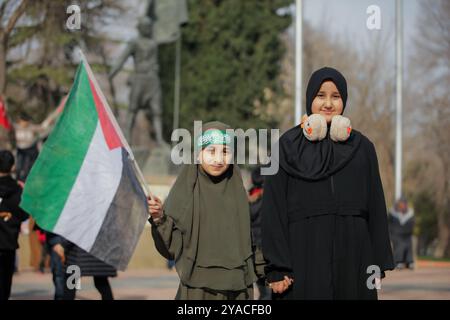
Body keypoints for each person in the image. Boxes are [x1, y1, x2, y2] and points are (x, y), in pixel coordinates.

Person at [261, 67, 394, 300]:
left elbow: (376, 206)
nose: (328, 103)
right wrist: (277, 267)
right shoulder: (285, 147)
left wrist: (378, 263)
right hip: (303, 255)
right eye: (320, 95)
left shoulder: (363, 147)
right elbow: (273, 211)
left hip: (354, 257)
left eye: (336, 96)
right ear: (310, 98)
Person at [148, 121, 261, 300]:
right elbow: (171, 247)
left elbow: (249, 240)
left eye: (225, 151)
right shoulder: (186, 191)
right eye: (211, 151)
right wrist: (159, 219)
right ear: (199, 154)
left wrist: (269, 272)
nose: (218, 159)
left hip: (238, 289)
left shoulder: (237, 189)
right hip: (197, 290)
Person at [0, 150, 29, 300]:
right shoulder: (18, 190)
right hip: (9, 243)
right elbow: (24, 214)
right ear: (12, 167)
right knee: (5, 286)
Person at [248, 167, 271, 300]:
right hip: (263, 249)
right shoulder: (266, 198)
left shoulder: (249, 195)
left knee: (264, 292)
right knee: (267, 293)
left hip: (254, 248)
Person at [389, 197, 415, 270]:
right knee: (400, 246)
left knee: (408, 246)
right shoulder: (392, 213)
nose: (402, 206)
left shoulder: (410, 213)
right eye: (400, 204)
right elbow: (389, 224)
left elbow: (412, 224)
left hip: (407, 234)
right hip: (396, 234)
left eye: (404, 204)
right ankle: (399, 262)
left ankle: (409, 262)